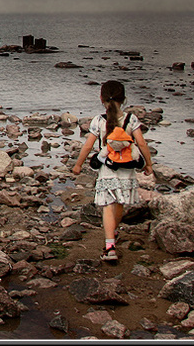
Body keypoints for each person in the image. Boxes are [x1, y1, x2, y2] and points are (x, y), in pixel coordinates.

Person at [71, 80, 154, 262]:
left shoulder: (99, 120)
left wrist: (78, 165)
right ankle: (114, 232)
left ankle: (110, 247)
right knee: (119, 204)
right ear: (123, 99)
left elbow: (87, 146)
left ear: (102, 99)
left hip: (107, 170)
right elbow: (141, 143)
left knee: (108, 206)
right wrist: (148, 165)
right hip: (127, 170)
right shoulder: (131, 120)